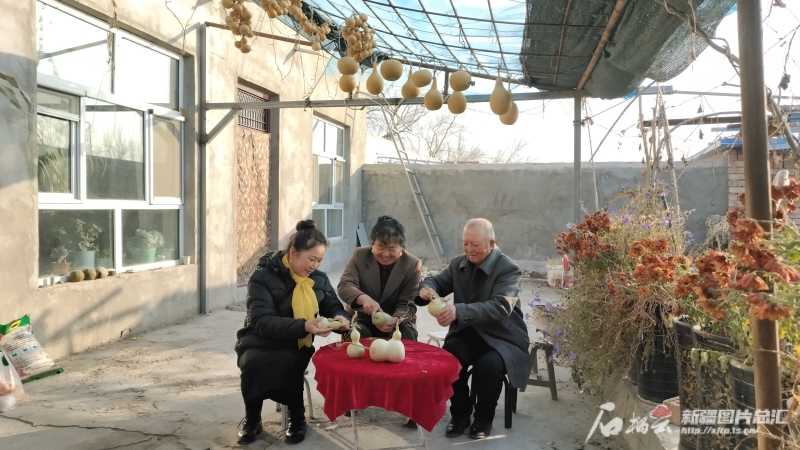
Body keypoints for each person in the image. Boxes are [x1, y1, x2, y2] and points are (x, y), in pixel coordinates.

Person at [235, 220, 350, 445]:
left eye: (319, 260)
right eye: (311, 259)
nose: (314, 265)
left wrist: (340, 317)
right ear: (293, 253)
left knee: (288, 361)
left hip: (295, 342)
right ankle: (252, 418)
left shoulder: (319, 279)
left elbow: (333, 305)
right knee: (253, 362)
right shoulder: (262, 277)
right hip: (258, 339)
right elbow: (261, 320)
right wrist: (304, 326)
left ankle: (297, 417)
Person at [416, 218, 529, 440]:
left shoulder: (509, 269)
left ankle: (483, 419)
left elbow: (500, 306)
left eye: (475, 244)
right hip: (468, 333)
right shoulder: (459, 264)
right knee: (449, 357)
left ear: (491, 243)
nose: (469, 249)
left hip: (501, 337)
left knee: (488, 366)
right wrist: (427, 288)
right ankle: (460, 415)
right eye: (465, 243)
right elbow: (437, 281)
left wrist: (458, 311)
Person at [337, 215, 422, 428]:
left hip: (398, 320)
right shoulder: (359, 256)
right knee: (356, 339)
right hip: (364, 317)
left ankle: (410, 402)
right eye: (380, 247)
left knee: (406, 341)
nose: (385, 253)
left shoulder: (412, 265)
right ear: (372, 244)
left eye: (392, 248)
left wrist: (396, 319)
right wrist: (363, 299)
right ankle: (354, 397)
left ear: (401, 248)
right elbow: (345, 285)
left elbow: (409, 302)